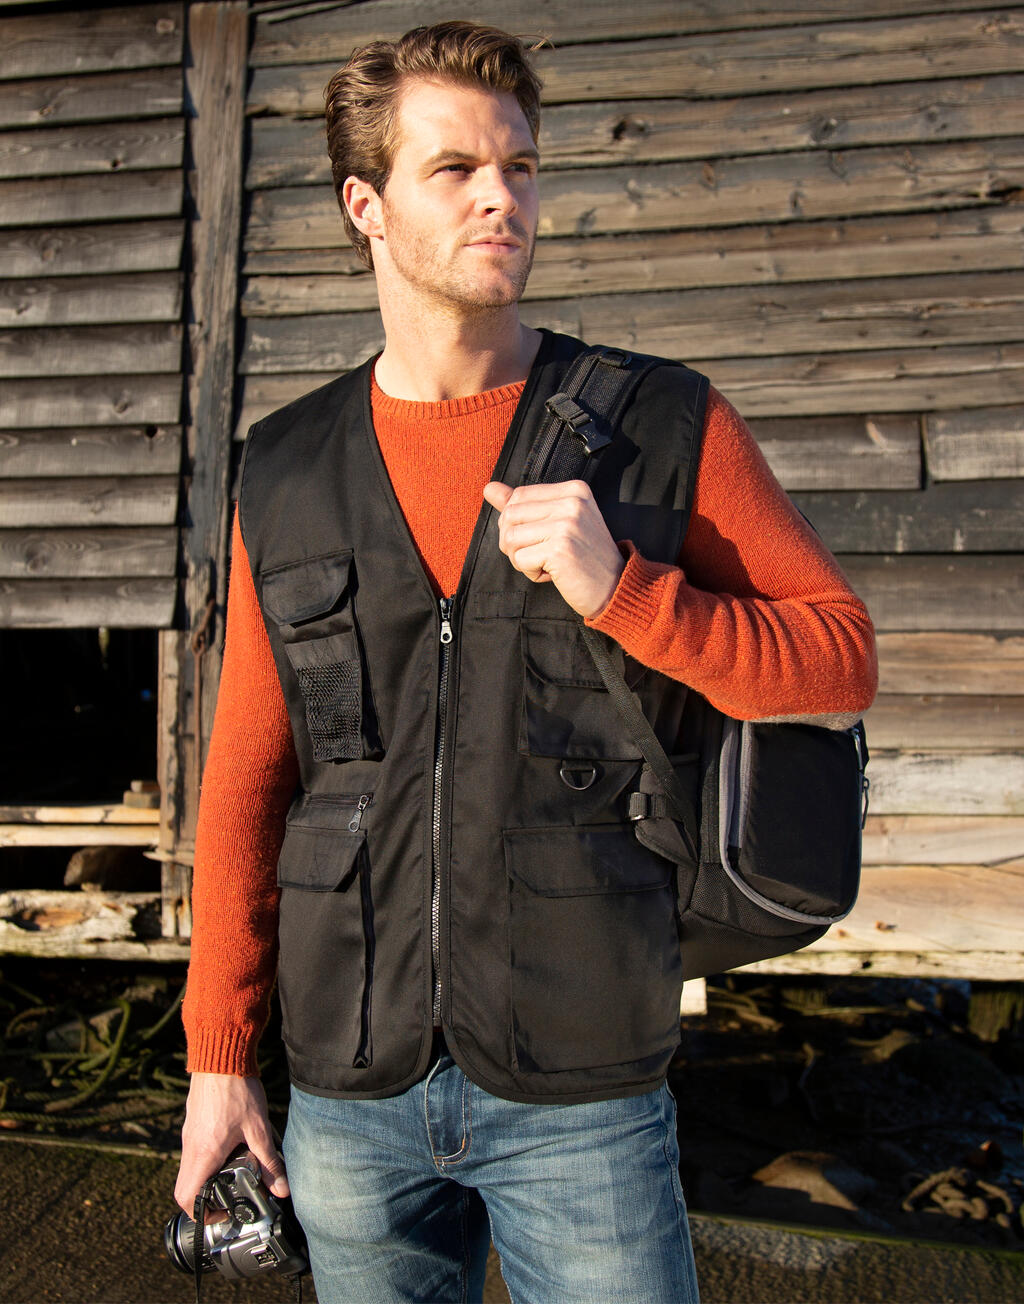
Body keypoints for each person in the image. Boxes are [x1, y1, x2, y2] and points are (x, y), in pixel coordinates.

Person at [175, 20, 877, 1303]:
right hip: (348, 1087)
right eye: (455, 169)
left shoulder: (662, 422)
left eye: (521, 166)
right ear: (366, 205)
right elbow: (246, 780)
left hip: (582, 1083)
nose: (502, 195)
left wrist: (628, 593)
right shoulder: (284, 467)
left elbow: (838, 661)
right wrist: (219, 1055)